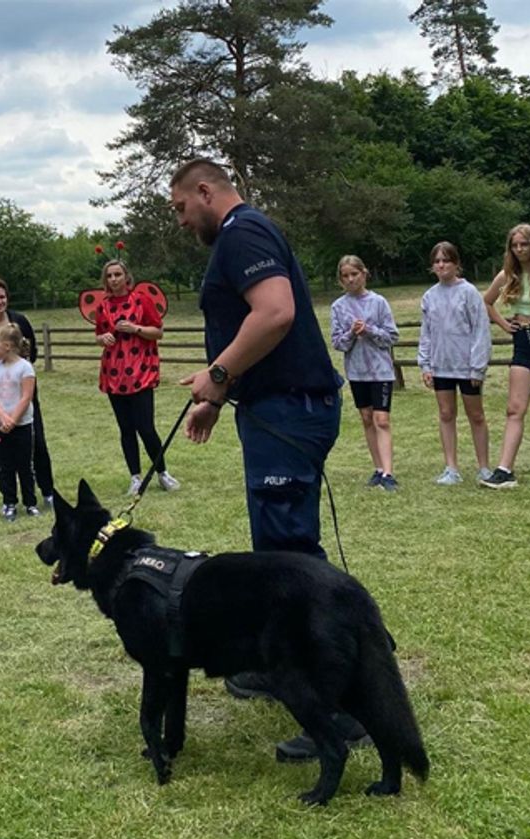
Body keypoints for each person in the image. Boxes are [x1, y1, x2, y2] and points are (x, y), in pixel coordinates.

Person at [170, 158, 357, 763]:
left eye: (179, 207)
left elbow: (275, 313)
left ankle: (343, 701)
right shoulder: (239, 235)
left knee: (293, 555)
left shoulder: (243, 233)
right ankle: (276, 662)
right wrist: (218, 398)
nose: (179, 221)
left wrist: (218, 372)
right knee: (275, 547)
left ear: (205, 191)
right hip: (273, 407)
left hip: (291, 410)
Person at [0, 278, 55, 506]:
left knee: (37, 443)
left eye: (2, 297)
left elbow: (30, 352)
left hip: (23, 393)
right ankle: (10, 497)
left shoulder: (19, 321)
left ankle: (47, 491)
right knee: (2, 447)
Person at [94, 259, 180, 495]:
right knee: (126, 429)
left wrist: (136, 328)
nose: (113, 279)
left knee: (146, 427)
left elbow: (158, 332)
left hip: (141, 371)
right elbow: (99, 334)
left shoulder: (142, 300)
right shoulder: (103, 306)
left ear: (126, 276)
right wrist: (103, 339)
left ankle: (162, 472)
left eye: (117, 274)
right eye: (109, 276)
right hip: (114, 373)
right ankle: (135, 476)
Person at [417, 241, 492, 485]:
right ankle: (451, 468)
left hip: (467, 366)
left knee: (476, 415)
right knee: (446, 413)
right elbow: (426, 333)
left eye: (445, 260)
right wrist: (425, 365)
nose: (441, 265)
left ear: (456, 263)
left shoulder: (469, 292)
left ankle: (484, 467)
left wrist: (477, 366)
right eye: (437, 261)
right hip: (441, 366)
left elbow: (480, 330)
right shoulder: (429, 297)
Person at [480, 223, 530, 489]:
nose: (519, 249)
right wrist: (505, 325)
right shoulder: (508, 274)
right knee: (514, 408)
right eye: (515, 245)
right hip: (523, 341)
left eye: (524, 244)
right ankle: (504, 470)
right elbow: (486, 301)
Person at [329, 256, 400, 490]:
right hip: (357, 372)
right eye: (346, 276)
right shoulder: (338, 307)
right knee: (367, 418)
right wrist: (351, 333)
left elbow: (391, 336)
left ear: (364, 274)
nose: (351, 280)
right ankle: (378, 468)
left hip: (380, 371)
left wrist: (368, 330)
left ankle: (389, 473)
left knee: (382, 419)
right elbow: (338, 343)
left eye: (354, 274)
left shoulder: (378, 302)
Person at [0, 323, 39, 520]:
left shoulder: (25, 368)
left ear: (7, 346)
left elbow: (26, 397)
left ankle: (30, 503)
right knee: (5, 465)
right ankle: (9, 502)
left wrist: (13, 419)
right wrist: (2, 417)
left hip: (22, 425)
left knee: (25, 465)